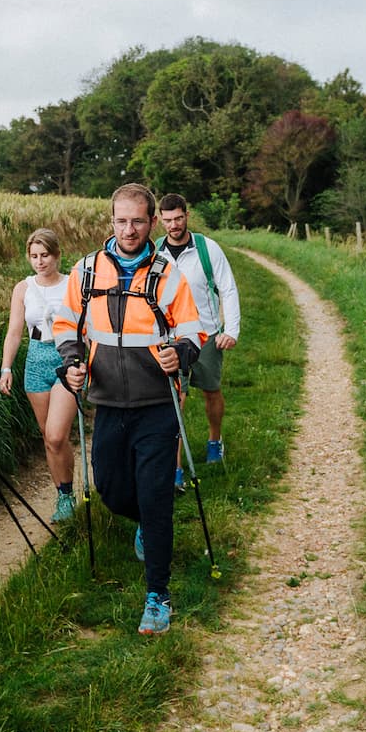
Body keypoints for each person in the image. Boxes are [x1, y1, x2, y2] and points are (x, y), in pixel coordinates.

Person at [53, 184, 205, 635]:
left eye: (138, 221)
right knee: (112, 491)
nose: (130, 229)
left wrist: (181, 352)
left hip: (157, 404)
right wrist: (72, 362)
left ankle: (157, 596)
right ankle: (143, 521)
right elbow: (67, 324)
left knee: (156, 498)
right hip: (107, 404)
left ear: (152, 222)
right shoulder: (84, 272)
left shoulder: (167, 273)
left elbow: (193, 330)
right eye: (122, 221)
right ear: (112, 221)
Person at [157, 194, 241, 482]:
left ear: (187, 216)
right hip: (172, 339)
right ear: (160, 221)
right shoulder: (155, 253)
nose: (173, 225)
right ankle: (176, 467)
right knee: (174, 400)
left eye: (178, 218)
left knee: (211, 391)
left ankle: (215, 440)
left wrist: (231, 330)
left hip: (206, 335)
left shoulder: (207, 249)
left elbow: (227, 288)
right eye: (167, 220)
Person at [0, 228, 78, 522]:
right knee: (48, 436)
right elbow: (15, 331)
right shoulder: (23, 288)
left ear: (57, 255)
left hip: (65, 359)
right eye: (34, 256)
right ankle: (64, 495)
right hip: (35, 360)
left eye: (45, 255)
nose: (40, 261)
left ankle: (67, 494)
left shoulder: (72, 284)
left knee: (57, 435)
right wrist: (6, 368)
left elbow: (86, 326)